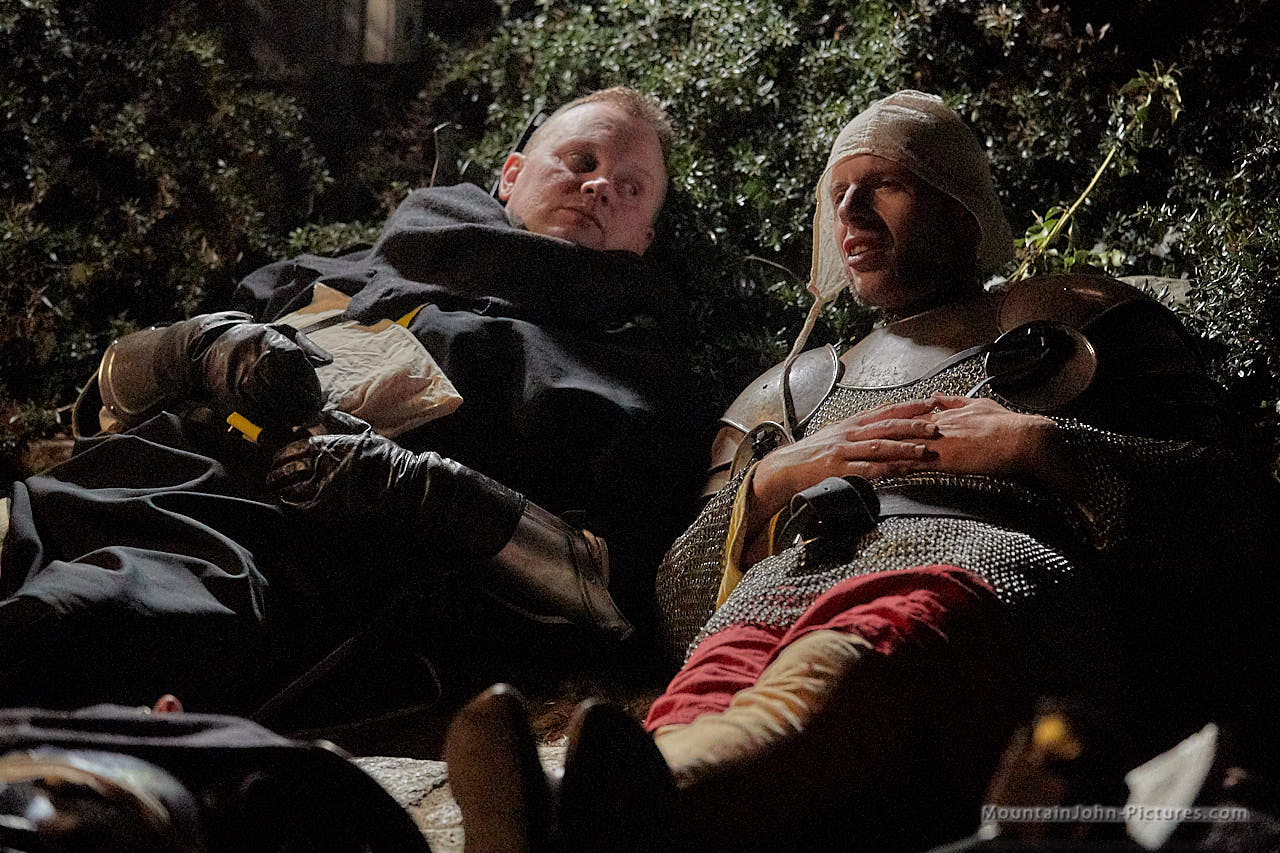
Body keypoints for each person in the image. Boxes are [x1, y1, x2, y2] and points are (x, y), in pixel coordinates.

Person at [443, 90, 1274, 852]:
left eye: (889, 184)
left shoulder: (1070, 319)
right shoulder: (792, 390)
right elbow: (676, 606)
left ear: (959, 205)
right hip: (780, 594)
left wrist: (1037, 446)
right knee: (714, 678)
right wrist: (769, 483)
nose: (850, 208)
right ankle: (602, 805)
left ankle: (585, 812)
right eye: (839, 191)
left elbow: (1234, 511)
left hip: (964, 581)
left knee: (852, 659)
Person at [0, 87, 701, 720]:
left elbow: (612, 593)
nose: (598, 185)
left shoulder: (634, 385)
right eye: (579, 159)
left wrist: (433, 494)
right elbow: (104, 405)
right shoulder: (340, 269)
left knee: (51, 627)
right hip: (87, 493)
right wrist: (194, 347)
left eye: (630, 186)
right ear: (511, 174)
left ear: (645, 237)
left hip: (259, 565)